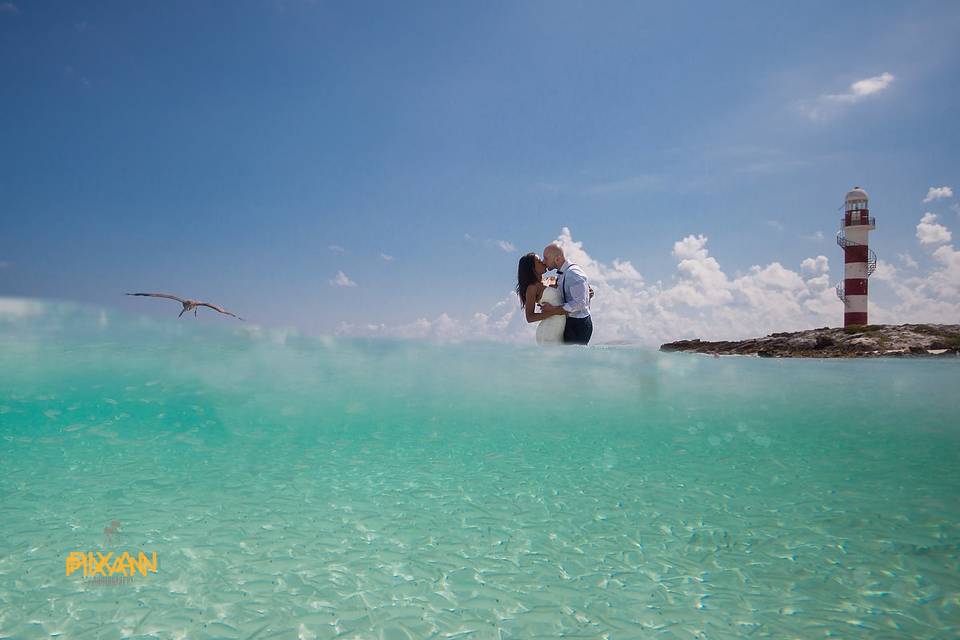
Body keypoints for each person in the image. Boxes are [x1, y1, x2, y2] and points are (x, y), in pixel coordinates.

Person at [540, 243, 593, 345]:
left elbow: (580, 303)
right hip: (570, 322)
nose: (543, 262)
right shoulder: (562, 273)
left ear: (557, 259)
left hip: (578, 325)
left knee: (574, 359)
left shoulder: (574, 274)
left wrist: (553, 310)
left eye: (546, 258)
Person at [516, 253, 567, 344]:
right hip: (549, 331)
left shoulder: (550, 279)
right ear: (532, 268)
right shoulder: (532, 288)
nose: (543, 262)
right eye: (539, 262)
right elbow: (530, 317)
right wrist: (555, 311)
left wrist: (587, 291)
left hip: (562, 329)